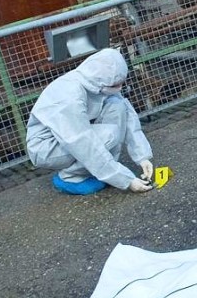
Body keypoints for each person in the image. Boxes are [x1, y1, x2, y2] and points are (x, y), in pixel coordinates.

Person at [26, 48, 154, 195]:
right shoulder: (69, 96)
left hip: (69, 137)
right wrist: (126, 180)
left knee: (117, 106)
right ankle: (70, 176)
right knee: (109, 134)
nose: (119, 88)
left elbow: (128, 115)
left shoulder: (96, 78)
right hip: (46, 147)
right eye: (115, 85)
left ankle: (105, 171)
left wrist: (142, 157)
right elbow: (83, 142)